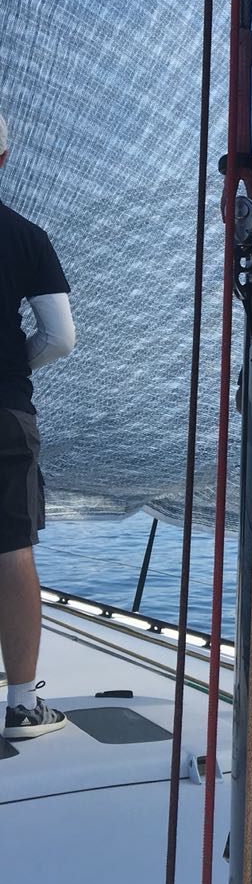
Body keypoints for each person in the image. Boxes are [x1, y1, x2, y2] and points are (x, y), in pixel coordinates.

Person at [0, 111, 75, 740]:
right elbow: (59, 337)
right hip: (3, 410)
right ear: (3, 159)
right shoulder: (27, 237)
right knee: (10, 546)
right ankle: (23, 706)